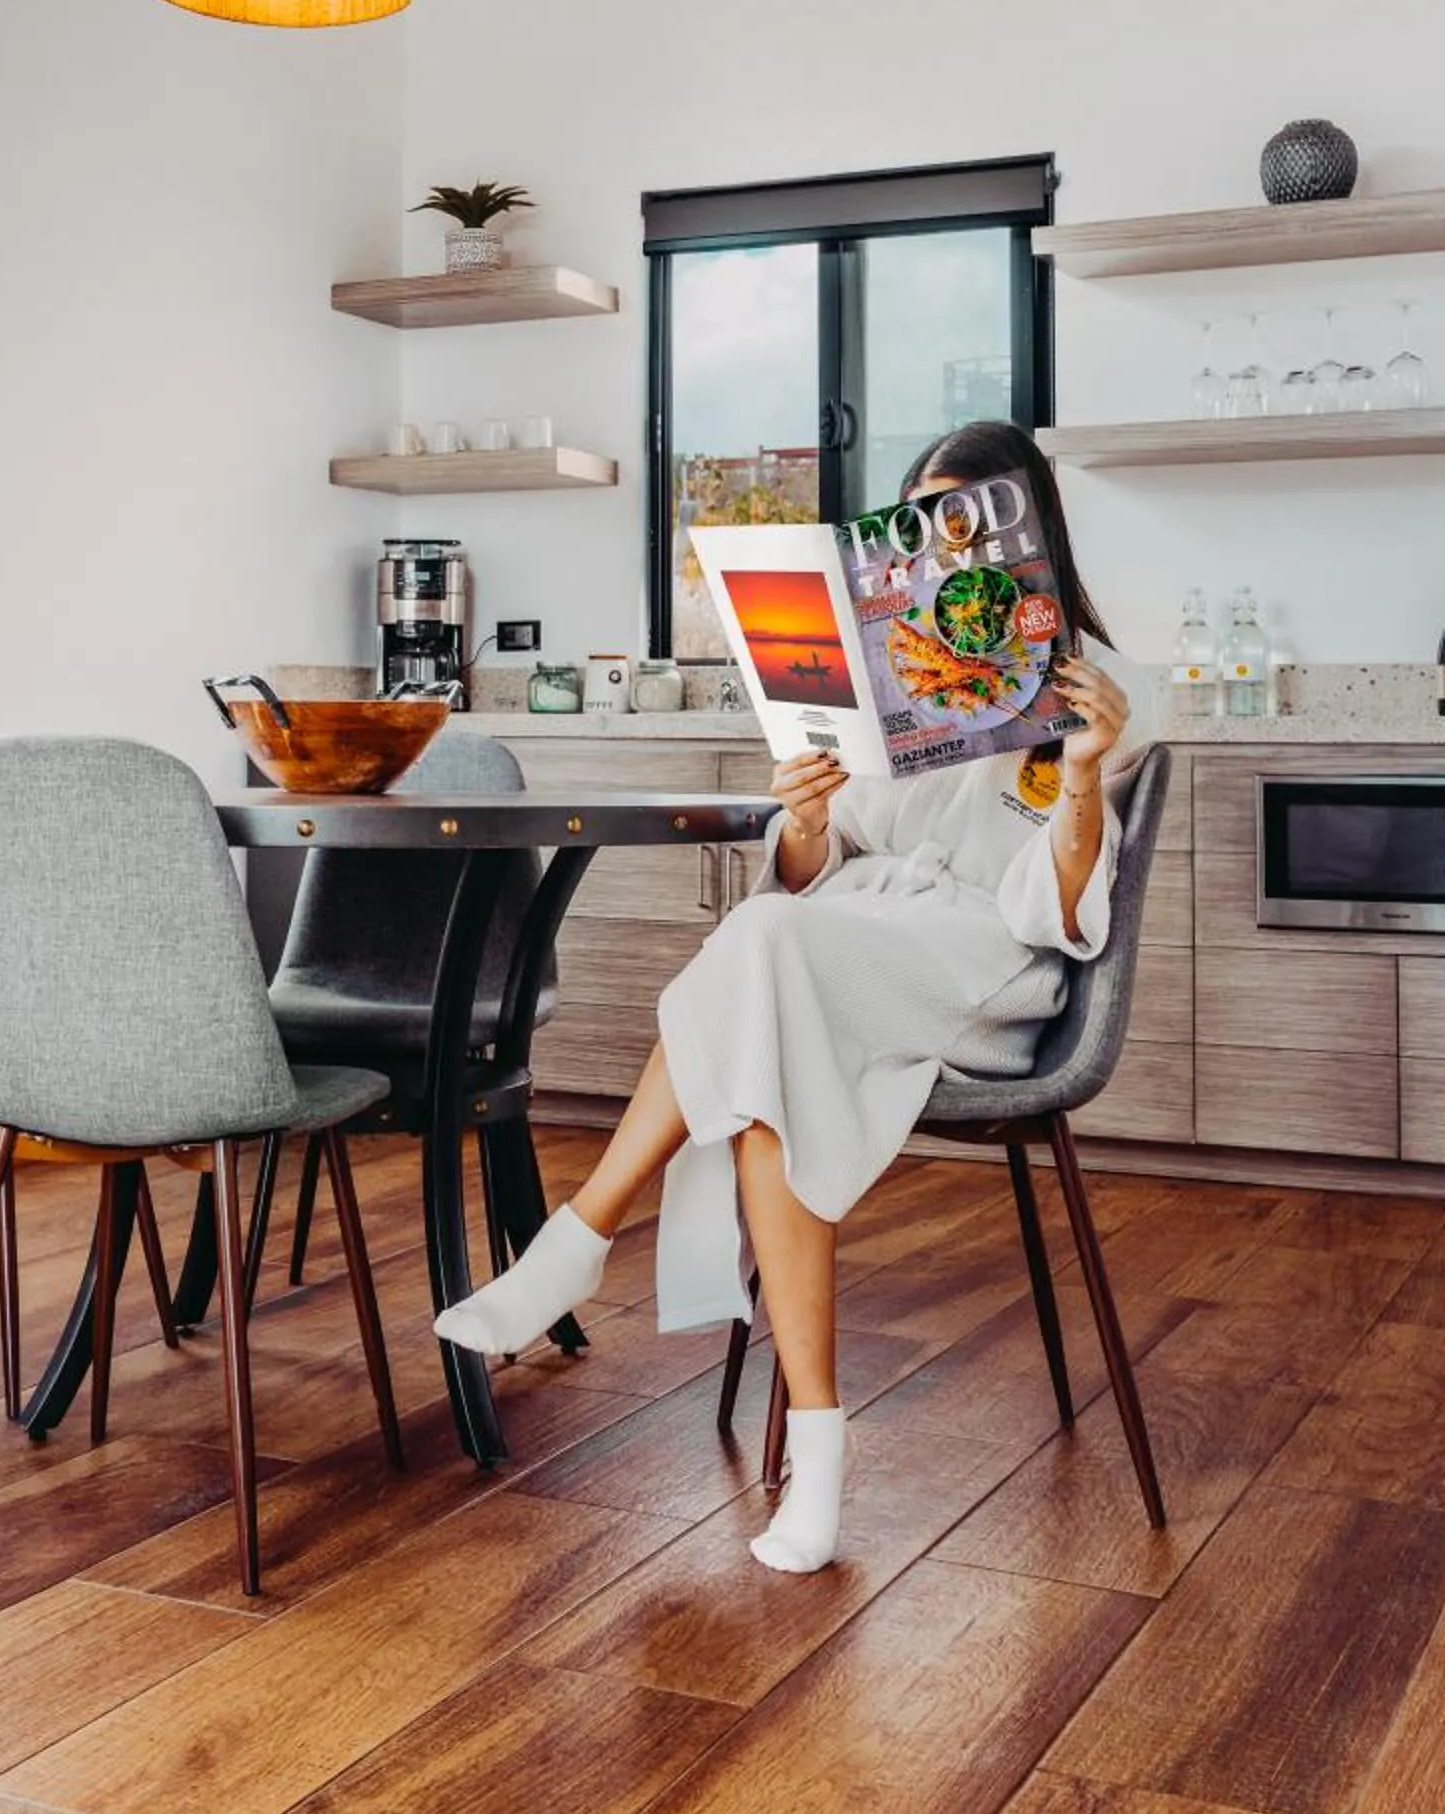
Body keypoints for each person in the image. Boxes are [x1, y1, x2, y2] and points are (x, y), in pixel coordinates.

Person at [436, 419, 1134, 1578]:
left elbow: (1058, 904)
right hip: (853, 932)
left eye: (962, 524)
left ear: (1023, 531)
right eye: (916, 527)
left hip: (983, 960)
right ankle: (815, 1441)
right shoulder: (890, 670)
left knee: (764, 955)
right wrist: (805, 817)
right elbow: (819, 869)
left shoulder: (1099, 691)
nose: (940, 552)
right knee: (771, 981)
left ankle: (580, 1235)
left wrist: (1081, 775)